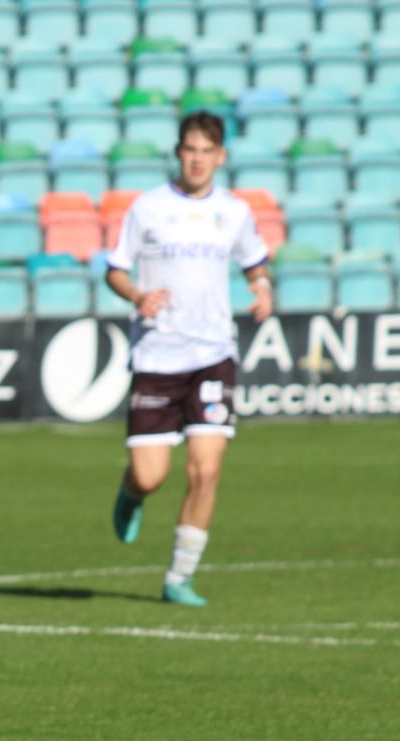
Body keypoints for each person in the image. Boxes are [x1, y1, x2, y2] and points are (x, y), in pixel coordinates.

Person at [104, 111, 274, 607]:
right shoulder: (149, 208)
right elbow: (114, 270)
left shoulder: (235, 211)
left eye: (207, 151)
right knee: (151, 473)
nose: (198, 160)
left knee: (206, 470)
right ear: (179, 153)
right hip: (158, 354)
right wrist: (137, 295)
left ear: (220, 157)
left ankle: (179, 576)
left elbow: (255, 262)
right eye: (190, 150)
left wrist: (261, 288)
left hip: (213, 353)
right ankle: (132, 492)